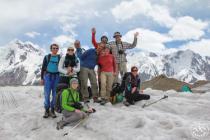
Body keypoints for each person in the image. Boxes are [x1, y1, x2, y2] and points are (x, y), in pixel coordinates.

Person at [41, 43, 60, 118]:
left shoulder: (59, 57)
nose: (55, 49)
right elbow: (43, 68)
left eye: (56, 48)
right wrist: (42, 78)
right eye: (53, 48)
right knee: (47, 94)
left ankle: (52, 109)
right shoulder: (47, 57)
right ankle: (46, 110)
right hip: (48, 76)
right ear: (51, 49)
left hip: (57, 77)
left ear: (58, 49)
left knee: (55, 94)